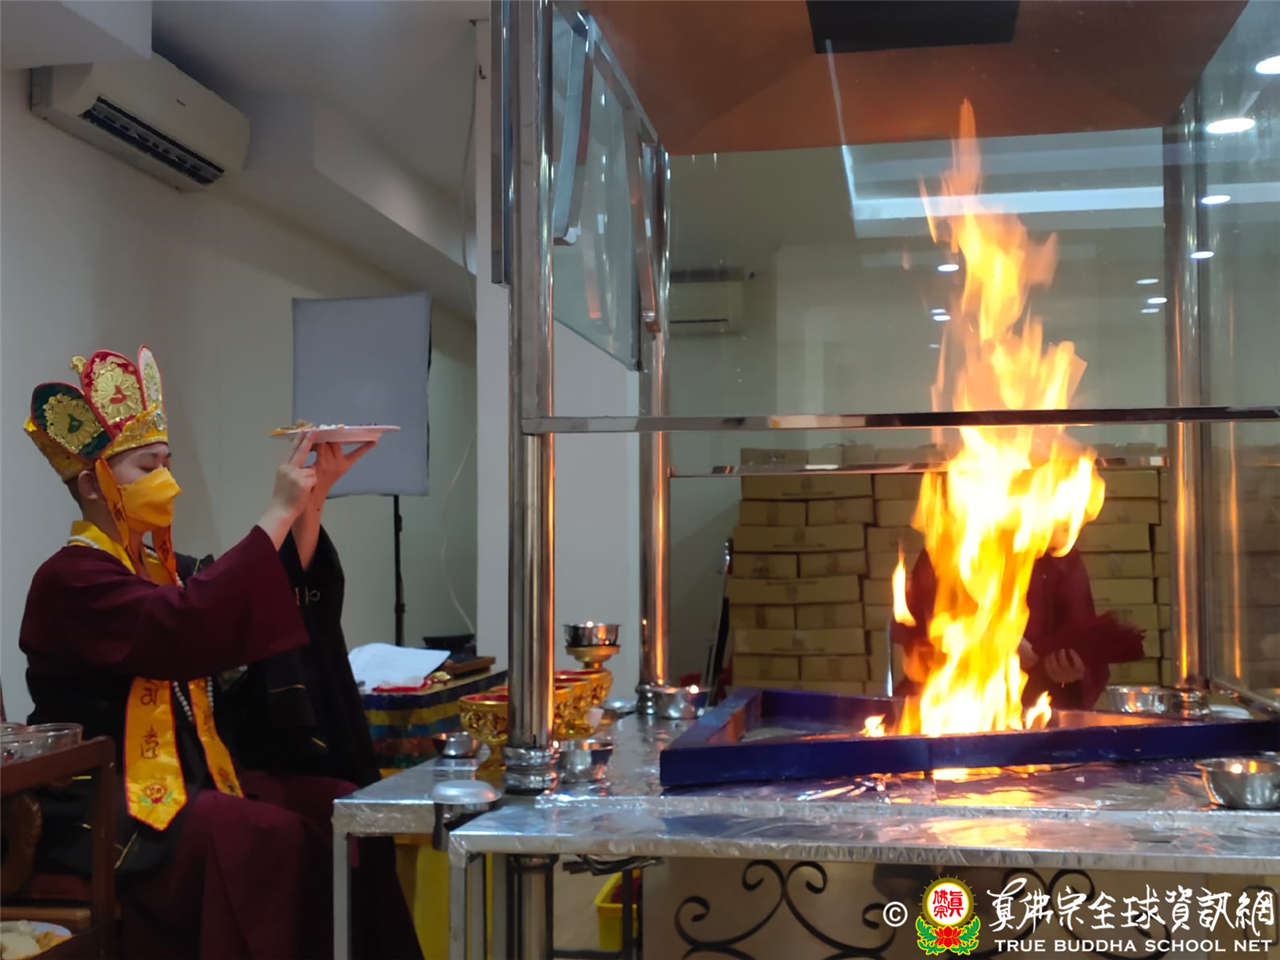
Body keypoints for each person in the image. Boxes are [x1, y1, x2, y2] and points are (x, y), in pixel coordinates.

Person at [19, 347, 422, 960]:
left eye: (167, 462)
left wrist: (309, 506)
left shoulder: (163, 568)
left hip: (201, 773)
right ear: (93, 483)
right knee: (260, 837)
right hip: (108, 799)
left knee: (343, 809)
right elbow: (186, 623)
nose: (167, 479)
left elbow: (261, 604)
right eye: (146, 465)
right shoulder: (70, 579)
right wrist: (277, 511)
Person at [891, 548, 1145, 710]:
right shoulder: (948, 545)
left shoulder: (1061, 556)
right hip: (951, 710)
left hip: (1036, 716)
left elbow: (1085, 645)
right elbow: (915, 638)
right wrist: (985, 642)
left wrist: (1070, 672)